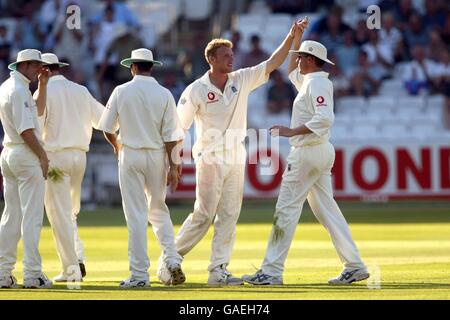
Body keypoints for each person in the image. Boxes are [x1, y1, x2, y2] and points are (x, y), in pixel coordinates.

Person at [157, 19, 310, 286]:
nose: (231, 59)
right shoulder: (196, 89)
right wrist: (173, 162)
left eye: (232, 55)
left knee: (229, 214)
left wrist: (291, 35)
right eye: (226, 56)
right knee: (204, 215)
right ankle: (169, 261)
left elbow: (272, 63)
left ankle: (218, 271)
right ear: (212, 60)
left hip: (236, 157)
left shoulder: (241, 79)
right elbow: (178, 128)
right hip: (209, 157)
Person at [243, 38, 369, 285]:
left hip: (307, 153)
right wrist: (296, 38)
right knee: (327, 211)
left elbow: (325, 119)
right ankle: (354, 265)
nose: (297, 60)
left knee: (285, 211)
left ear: (310, 60)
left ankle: (271, 271)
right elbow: (291, 72)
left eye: (300, 57)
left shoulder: (317, 85)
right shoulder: (311, 81)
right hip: (318, 152)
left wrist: (291, 132)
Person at [98, 48, 185, 288]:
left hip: (131, 154)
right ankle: (172, 258)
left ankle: (139, 275)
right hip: (156, 156)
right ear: (151, 67)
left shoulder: (121, 91)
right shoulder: (164, 93)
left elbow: (106, 127)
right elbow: (172, 136)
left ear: (133, 67)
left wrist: (117, 145)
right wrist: (174, 167)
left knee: (136, 215)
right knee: (158, 210)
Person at [34, 53, 105, 283]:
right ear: (58, 68)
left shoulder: (42, 93)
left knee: (59, 214)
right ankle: (78, 257)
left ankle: (71, 269)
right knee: (69, 212)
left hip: (55, 158)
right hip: (79, 158)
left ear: (43, 70)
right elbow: (104, 120)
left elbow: (36, 127)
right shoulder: (81, 90)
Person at [0, 49, 52, 288]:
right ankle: (33, 274)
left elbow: (38, 111)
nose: (38, 70)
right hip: (25, 153)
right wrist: (42, 155)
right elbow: (26, 129)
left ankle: (3, 272)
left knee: (12, 215)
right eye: (35, 66)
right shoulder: (19, 90)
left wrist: (43, 84)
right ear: (25, 65)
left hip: (9, 154)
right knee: (31, 217)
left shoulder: (9, 86)